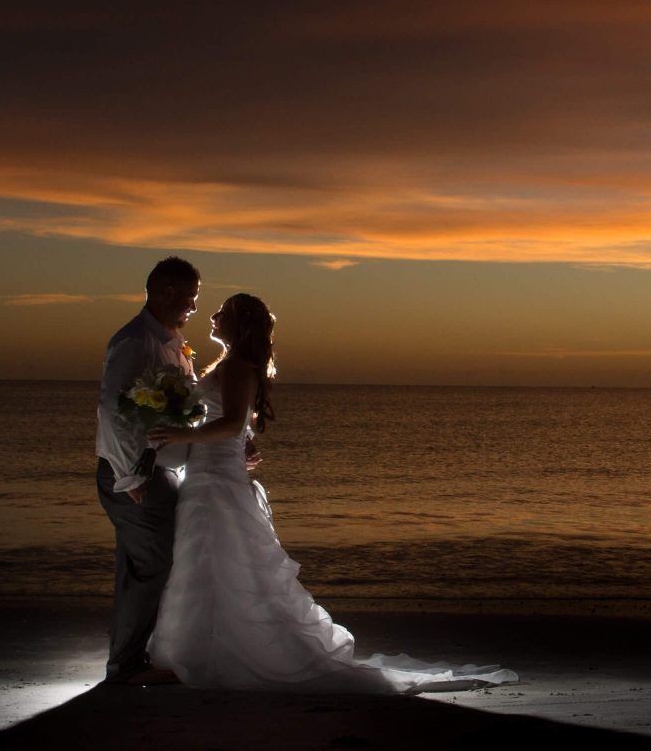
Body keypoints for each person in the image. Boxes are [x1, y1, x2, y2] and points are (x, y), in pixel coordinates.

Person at [144, 293, 515, 692]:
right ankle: (202, 649)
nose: (213, 317)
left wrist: (185, 435)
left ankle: (219, 654)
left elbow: (231, 424)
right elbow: (237, 426)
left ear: (240, 324)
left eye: (223, 312)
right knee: (207, 565)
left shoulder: (236, 366)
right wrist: (240, 442)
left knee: (218, 564)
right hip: (207, 474)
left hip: (216, 481)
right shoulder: (229, 365)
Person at [94, 256, 199, 685]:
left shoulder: (171, 343)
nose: (193, 307)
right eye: (190, 298)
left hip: (160, 472)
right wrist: (131, 477)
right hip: (135, 476)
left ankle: (129, 657)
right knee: (152, 565)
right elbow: (113, 411)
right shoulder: (135, 340)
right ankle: (126, 664)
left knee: (141, 566)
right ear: (168, 293)